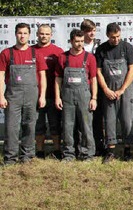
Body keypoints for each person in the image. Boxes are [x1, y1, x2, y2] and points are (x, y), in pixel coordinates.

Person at [0, 23, 47, 165]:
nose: (22, 36)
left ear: (29, 35)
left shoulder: (35, 54)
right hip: (13, 95)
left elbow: (42, 76)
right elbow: (1, 76)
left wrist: (42, 95)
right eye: (20, 33)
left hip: (31, 96)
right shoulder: (6, 53)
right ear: (15, 34)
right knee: (11, 127)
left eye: (25, 33)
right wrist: (1, 96)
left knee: (30, 125)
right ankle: (10, 157)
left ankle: (27, 156)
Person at [95, 22, 133, 163]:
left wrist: (122, 89)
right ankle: (111, 151)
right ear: (107, 35)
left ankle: (127, 150)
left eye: (118, 36)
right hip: (108, 91)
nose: (116, 39)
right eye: (113, 37)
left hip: (125, 91)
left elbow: (132, 70)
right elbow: (98, 71)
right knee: (109, 121)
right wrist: (106, 89)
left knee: (126, 121)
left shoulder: (127, 48)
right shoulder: (101, 49)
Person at [54, 29, 98, 161]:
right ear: (71, 41)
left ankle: (87, 154)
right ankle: (68, 154)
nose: (80, 44)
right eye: (77, 41)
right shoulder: (63, 57)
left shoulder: (89, 57)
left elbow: (94, 79)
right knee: (67, 125)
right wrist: (57, 97)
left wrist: (94, 98)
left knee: (86, 125)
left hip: (84, 96)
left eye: (82, 41)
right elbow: (58, 79)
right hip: (67, 96)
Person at [32, 24, 64, 159]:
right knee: (38, 126)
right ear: (37, 34)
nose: (44, 36)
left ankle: (57, 150)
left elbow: (62, 75)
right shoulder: (31, 50)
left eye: (46, 34)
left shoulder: (58, 52)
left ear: (51, 35)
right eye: (41, 33)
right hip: (35, 95)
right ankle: (40, 151)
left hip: (53, 95)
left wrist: (59, 95)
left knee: (55, 125)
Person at [81, 19, 104, 156]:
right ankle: (84, 146)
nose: (92, 33)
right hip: (83, 86)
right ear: (83, 32)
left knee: (98, 118)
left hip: (98, 85)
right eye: (89, 31)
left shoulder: (100, 46)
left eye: (94, 30)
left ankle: (99, 146)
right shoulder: (78, 45)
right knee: (84, 118)